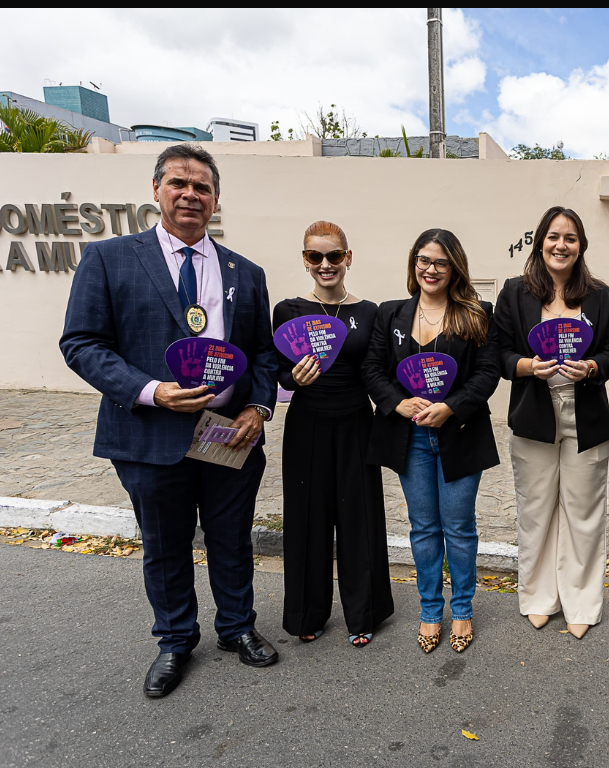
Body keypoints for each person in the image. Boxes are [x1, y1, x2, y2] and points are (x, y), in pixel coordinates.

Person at [59, 144, 280, 698]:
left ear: (216, 199)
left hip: (229, 435)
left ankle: (236, 628)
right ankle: (176, 640)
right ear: (156, 189)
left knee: (232, 539)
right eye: (179, 183)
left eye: (201, 186)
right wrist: (152, 391)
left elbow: (263, 353)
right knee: (165, 544)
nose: (190, 194)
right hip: (149, 435)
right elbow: (82, 344)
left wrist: (258, 407)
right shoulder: (109, 259)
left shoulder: (244, 272)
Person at [361, 229, 499, 654]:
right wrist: (397, 404)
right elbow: (372, 369)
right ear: (413, 263)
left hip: (459, 434)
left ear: (454, 266)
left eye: (440, 262)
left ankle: (461, 610)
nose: (431, 269)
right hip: (410, 438)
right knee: (423, 528)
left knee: (458, 528)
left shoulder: (477, 313)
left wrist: (453, 407)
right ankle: (428, 609)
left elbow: (488, 372)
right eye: (423, 260)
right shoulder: (391, 313)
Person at [494, 207, 609, 638]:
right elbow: (499, 354)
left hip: (584, 414)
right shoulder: (515, 293)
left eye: (570, 238)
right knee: (535, 510)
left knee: (584, 512)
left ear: (581, 245)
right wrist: (529, 366)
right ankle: (538, 596)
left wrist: (591, 368)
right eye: (553, 236)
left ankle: (581, 601)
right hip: (534, 413)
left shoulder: (603, 296)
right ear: (540, 242)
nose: (560, 245)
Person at [273, 221, 393, 649]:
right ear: (305, 260)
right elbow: (278, 370)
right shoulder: (288, 310)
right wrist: (293, 378)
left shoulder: (370, 312)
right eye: (315, 256)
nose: (325, 264)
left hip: (357, 420)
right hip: (307, 422)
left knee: (360, 517)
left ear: (348, 258)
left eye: (334, 256)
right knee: (308, 517)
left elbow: (375, 368)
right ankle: (307, 612)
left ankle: (365, 612)